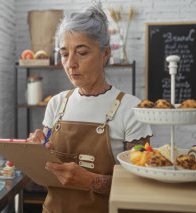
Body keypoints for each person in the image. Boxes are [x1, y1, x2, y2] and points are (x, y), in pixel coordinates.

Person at [28, 2, 152, 213]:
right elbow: (45, 173)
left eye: (82, 53)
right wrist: (34, 153)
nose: (71, 64)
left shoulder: (132, 109)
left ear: (105, 54)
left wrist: (90, 181)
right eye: (65, 54)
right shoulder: (56, 104)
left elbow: (140, 185)